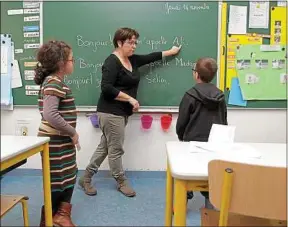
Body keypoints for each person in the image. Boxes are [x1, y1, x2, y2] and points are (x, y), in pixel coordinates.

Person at [78, 27, 181, 197]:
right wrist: (130, 99)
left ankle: (86, 178)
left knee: (105, 147)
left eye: (135, 42)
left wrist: (171, 52)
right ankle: (121, 181)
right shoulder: (111, 61)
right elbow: (106, 88)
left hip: (120, 113)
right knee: (116, 149)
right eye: (130, 42)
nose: (134, 46)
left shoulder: (132, 60)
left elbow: (151, 57)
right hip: (110, 112)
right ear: (119, 42)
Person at [34, 40, 79, 227]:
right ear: (61, 63)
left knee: (69, 175)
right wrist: (72, 132)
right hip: (55, 142)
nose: (73, 62)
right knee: (56, 179)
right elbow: (50, 114)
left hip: (61, 141)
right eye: (71, 59)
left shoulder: (56, 82)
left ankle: (61, 214)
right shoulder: (53, 82)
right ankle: (49, 218)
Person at [176, 57, 228, 207]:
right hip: (215, 143)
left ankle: (181, 204)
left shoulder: (190, 95)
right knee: (211, 175)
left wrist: (182, 137)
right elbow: (224, 120)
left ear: (196, 75)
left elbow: (182, 122)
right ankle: (211, 205)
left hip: (192, 143)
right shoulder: (220, 96)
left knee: (186, 172)